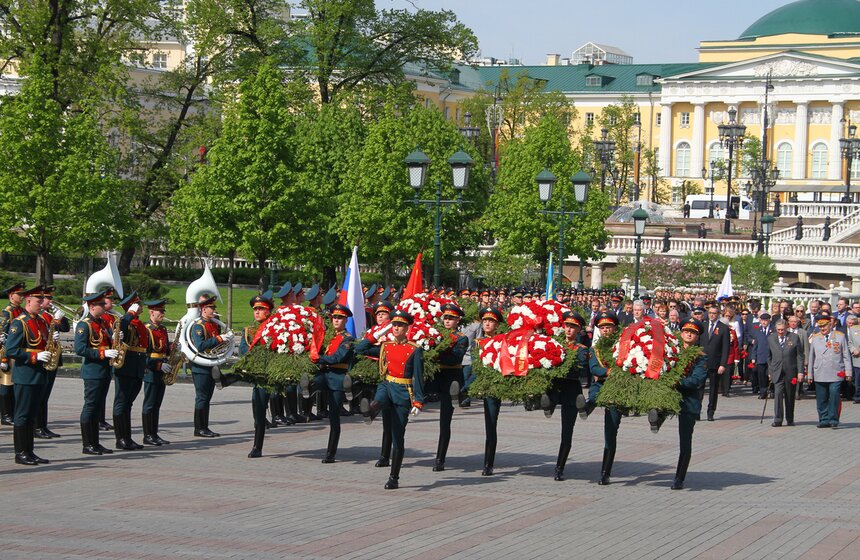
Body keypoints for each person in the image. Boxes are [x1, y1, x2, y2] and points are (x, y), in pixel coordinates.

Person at [357, 310, 425, 489]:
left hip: (403, 391)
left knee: (397, 436)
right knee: (379, 399)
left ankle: (394, 477)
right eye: (394, 325)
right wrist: (375, 335)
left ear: (406, 327)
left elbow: (419, 376)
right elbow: (360, 349)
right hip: (386, 385)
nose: (396, 328)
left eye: (400, 325)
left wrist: (418, 401)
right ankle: (369, 413)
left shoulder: (414, 349)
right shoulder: (385, 345)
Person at [301, 303, 355, 463]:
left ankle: (331, 453)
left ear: (345, 320)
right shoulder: (328, 336)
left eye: (339, 318)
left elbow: (338, 358)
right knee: (312, 382)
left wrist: (318, 358)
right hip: (324, 374)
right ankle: (306, 392)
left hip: (338, 378)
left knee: (334, 417)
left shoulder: (348, 339)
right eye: (334, 317)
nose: (336, 320)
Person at [5, 286, 53, 465]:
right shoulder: (20, 322)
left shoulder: (40, 321)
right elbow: (11, 350)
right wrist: (34, 356)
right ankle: (20, 452)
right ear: (28, 301)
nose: (41, 304)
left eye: (42, 301)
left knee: (32, 415)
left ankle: (30, 451)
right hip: (25, 375)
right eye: (38, 301)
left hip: (39, 374)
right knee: (22, 415)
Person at [542, 311, 588, 481]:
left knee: (567, 431)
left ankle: (559, 468)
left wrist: (567, 367)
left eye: (573, 327)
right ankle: (546, 405)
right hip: (555, 386)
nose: (569, 330)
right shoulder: (554, 344)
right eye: (567, 326)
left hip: (571, 389)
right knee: (547, 397)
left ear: (579, 330)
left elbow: (582, 370)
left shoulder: (582, 350)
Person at [74, 291, 119, 455]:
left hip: (104, 371)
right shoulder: (84, 324)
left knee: (97, 408)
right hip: (93, 372)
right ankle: (88, 444)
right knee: (90, 407)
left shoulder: (103, 323)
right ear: (92, 306)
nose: (104, 307)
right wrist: (102, 354)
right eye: (101, 304)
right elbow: (80, 349)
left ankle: (96, 442)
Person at [670, 317, 708, 490]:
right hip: (669, 396)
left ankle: (680, 477)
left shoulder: (701, 357)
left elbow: (697, 380)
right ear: (681, 332)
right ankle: (655, 418)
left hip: (689, 401)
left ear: (697, 336)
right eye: (686, 331)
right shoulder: (671, 351)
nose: (688, 334)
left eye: (692, 332)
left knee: (685, 441)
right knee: (656, 408)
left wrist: (678, 382)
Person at [189, 294, 234, 437]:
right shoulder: (198, 326)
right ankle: (199, 428)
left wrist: (225, 340)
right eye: (211, 307)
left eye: (214, 307)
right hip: (200, 367)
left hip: (211, 364)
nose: (214, 309)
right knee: (202, 398)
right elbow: (200, 346)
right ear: (203, 309)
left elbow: (216, 343)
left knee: (207, 398)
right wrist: (219, 338)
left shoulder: (213, 324)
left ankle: (204, 427)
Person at [432, 303, 468, 471]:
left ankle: (440, 458)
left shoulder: (461, 338)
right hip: (434, 376)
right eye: (445, 318)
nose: (447, 321)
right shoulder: (434, 334)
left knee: (444, 421)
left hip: (451, 379)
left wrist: (434, 355)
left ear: (457, 320)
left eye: (451, 318)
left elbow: (455, 358)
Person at [111, 292, 149, 450]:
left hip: (137, 366)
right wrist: (129, 313)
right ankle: (121, 438)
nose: (141, 308)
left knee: (128, 404)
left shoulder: (138, 323)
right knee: (121, 403)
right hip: (125, 367)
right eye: (137, 305)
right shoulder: (123, 321)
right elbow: (121, 327)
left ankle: (127, 437)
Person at [241, 293, 274, 458]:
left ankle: (257, 446)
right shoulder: (249, 330)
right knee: (257, 409)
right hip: (256, 375)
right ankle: (257, 446)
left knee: (261, 408)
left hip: (269, 374)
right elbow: (243, 350)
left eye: (261, 309)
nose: (257, 312)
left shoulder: (275, 329)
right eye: (256, 309)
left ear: (268, 311)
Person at [33, 286, 69, 439]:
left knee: (46, 395)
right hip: (43, 358)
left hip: (53, 358)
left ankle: (43, 425)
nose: (50, 301)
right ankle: (37, 426)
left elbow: (65, 328)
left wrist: (61, 317)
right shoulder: (40, 316)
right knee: (40, 395)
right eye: (47, 298)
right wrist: (54, 321)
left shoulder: (50, 314)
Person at [808, 311, 853, 428]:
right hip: (820, 372)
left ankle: (833, 418)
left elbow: (846, 355)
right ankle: (824, 419)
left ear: (830, 325)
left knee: (834, 395)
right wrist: (810, 375)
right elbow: (811, 357)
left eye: (824, 326)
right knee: (821, 398)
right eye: (820, 326)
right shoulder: (816, 338)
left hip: (836, 372)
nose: (822, 328)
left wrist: (848, 372)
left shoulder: (840, 336)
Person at [142, 299, 173, 446]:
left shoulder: (162, 329)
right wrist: (158, 366)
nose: (162, 314)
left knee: (157, 404)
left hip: (163, 368)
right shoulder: (146, 329)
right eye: (160, 311)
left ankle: (154, 433)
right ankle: (148, 435)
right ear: (151, 312)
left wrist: (172, 347)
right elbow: (144, 355)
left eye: (163, 311)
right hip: (152, 370)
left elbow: (164, 349)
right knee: (150, 404)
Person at [767, 320, 803, 427]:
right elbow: (769, 357)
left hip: (790, 371)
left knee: (790, 395)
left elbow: (800, 356)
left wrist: (800, 372)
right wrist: (770, 371)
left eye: (782, 330)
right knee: (778, 394)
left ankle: (790, 418)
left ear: (786, 328)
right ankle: (778, 419)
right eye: (778, 330)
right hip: (777, 371)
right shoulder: (771, 338)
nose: (781, 332)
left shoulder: (794, 337)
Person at [1, 282, 26, 425]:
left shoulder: (20, 311)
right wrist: (3, 357)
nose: (21, 297)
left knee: (13, 383)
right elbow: (3, 333)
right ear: (11, 296)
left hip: (17, 351)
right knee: (5, 383)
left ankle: (13, 411)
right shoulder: (8, 312)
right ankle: (5, 414)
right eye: (19, 295)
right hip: (7, 352)